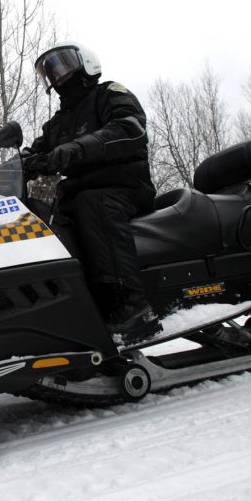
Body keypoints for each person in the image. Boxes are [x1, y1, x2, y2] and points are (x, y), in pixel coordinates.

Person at [24, 41, 160, 342]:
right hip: (76, 199)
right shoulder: (57, 124)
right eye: (50, 72)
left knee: (92, 202)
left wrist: (77, 148)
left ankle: (131, 306)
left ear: (85, 62)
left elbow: (130, 128)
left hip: (124, 188)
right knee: (47, 223)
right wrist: (18, 163)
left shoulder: (109, 94)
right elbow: (36, 150)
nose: (58, 76)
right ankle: (75, 312)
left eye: (62, 65)